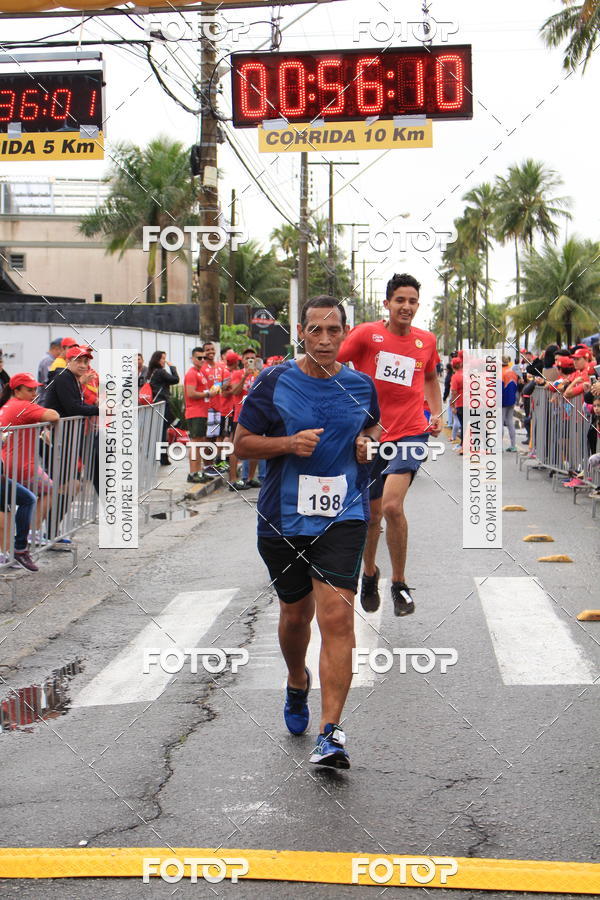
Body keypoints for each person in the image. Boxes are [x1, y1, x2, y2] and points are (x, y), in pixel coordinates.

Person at [234, 295, 381, 769]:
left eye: (332, 331)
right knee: (295, 617)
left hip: (344, 514)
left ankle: (331, 733)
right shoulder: (274, 381)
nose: (324, 340)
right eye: (315, 331)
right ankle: (297, 679)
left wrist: (365, 445)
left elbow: (372, 432)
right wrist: (287, 443)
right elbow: (240, 446)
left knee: (337, 619)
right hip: (283, 517)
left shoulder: (360, 385)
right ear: (302, 332)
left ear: (344, 333)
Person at [337, 272, 442, 616]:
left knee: (393, 508)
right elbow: (333, 363)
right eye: (400, 300)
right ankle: (370, 574)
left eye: (412, 301)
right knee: (372, 515)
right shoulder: (367, 335)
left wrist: (437, 413)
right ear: (387, 303)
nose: (407, 306)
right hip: (371, 433)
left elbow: (429, 377)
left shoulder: (425, 341)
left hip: (411, 432)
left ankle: (399, 584)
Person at [0, 372, 60, 569]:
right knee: (47, 490)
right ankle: (29, 536)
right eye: (29, 389)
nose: (34, 392)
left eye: (35, 388)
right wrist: (48, 424)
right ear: (16, 390)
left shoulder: (9, 405)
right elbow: (53, 415)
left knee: (10, 507)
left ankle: (9, 551)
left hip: (9, 463)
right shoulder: (22, 406)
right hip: (22, 466)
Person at [184, 347, 218, 484]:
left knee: (200, 443)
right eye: (199, 358)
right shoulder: (192, 373)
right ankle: (193, 473)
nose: (202, 360)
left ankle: (197, 471)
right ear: (192, 359)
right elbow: (191, 393)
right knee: (195, 444)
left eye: (204, 358)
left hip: (202, 412)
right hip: (195, 412)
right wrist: (208, 394)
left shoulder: (200, 373)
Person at [147, 351, 179, 466]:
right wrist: (172, 367)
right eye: (163, 359)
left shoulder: (150, 372)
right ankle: (163, 458)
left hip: (153, 404)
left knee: (156, 431)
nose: (164, 361)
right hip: (162, 404)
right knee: (162, 432)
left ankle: (153, 456)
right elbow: (175, 379)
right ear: (157, 360)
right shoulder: (160, 372)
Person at [501, 355, 519, 452]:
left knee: (500, 422)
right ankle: (513, 445)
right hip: (512, 400)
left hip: (502, 401)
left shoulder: (500, 373)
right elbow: (517, 386)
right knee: (510, 422)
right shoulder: (513, 372)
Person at [449, 357, 464, 454]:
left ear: (452, 366)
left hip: (461, 403)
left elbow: (454, 392)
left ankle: (463, 446)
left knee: (464, 426)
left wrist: (453, 406)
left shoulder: (455, 377)